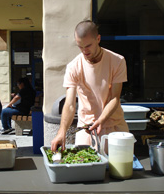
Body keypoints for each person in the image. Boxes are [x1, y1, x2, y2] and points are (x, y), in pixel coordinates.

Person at [51, 20, 129, 151]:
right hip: (86, 129)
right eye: (80, 46)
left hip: (115, 127)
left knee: (119, 169)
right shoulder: (73, 67)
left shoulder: (117, 61)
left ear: (98, 39)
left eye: (88, 46)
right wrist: (61, 132)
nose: (84, 51)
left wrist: (101, 119)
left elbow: (115, 98)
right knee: (87, 169)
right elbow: (70, 104)